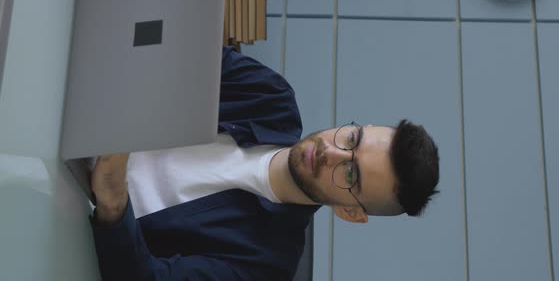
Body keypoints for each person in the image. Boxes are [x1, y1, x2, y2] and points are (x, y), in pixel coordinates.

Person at [89, 47, 440, 280]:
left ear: (350, 213)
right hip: (80, 101)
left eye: (350, 174)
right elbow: (175, 52)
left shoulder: (266, 265)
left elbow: (142, 277)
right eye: (352, 139)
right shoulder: (269, 96)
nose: (330, 152)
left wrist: (113, 200)